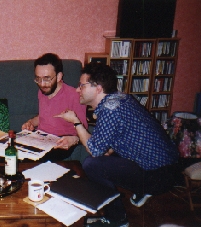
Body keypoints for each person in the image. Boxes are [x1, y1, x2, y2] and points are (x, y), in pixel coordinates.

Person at [55, 62, 179, 227]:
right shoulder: (121, 98)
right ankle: (140, 190)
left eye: (81, 86)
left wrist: (76, 123)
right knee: (103, 158)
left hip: (159, 175)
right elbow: (111, 141)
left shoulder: (110, 110)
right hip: (168, 166)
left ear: (98, 88)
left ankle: (117, 219)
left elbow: (94, 150)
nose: (78, 90)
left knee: (92, 165)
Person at [22, 53, 88, 162]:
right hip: (41, 138)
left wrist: (74, 139)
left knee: (32, 160)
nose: (42, 84)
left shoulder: (75, 96)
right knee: (8, 149)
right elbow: (44, 116)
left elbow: (83, 129)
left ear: (59, 77)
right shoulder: (43, 91)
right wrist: (31, 123)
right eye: (38, 79)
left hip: (60, 142)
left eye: (47, 79)